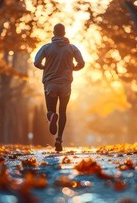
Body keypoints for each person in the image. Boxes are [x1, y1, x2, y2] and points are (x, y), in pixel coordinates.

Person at [34, 23, 85, 152]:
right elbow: (82, 63)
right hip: (65, 85)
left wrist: (44, 67)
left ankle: (51, 116)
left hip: (50, 84)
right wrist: (73, 68)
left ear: (53, 32)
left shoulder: (46, 48)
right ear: (64, 33)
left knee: (51, 110)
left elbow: (36, 62)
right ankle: (59, 140)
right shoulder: (72, 48)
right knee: (63, 111)